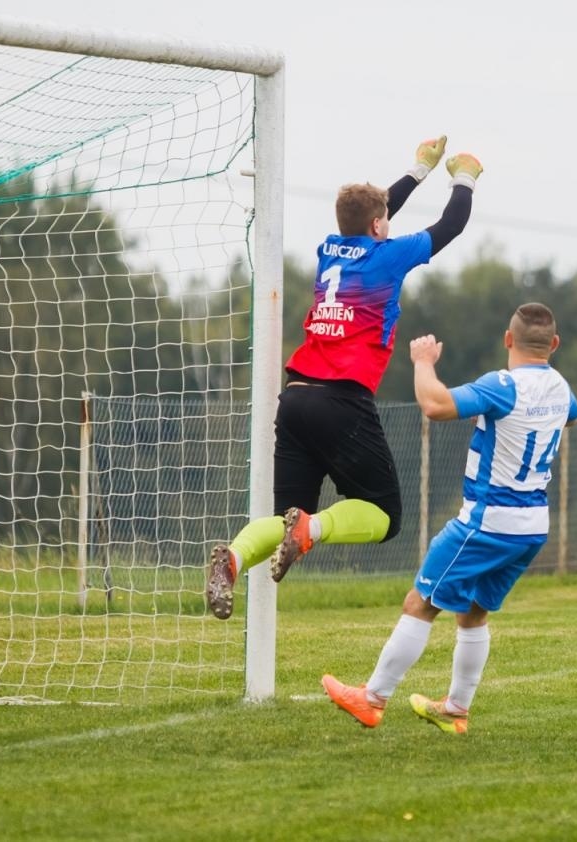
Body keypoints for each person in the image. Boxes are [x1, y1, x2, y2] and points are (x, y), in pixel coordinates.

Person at [205, 137, 483, 619]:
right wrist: (465, 176)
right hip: (341, 402)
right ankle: (310, 531)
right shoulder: (388, 256)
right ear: (378, 226)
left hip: (294, 399)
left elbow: (373, 211)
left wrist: (419, 168)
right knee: (384, 516)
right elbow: (451, 225)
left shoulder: (330, 249)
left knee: (282, 519)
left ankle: (232, 559)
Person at [321, 304, 577, 734]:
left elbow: (435, 405)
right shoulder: (561, 387)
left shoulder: (502, 385)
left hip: (487, 521)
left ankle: (372, 699)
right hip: (532, 525)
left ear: (507, 340)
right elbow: (570, 415)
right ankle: (457, 709)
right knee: (474, 612)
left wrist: (423, 362)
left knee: (420, 602)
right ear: (554, 345)